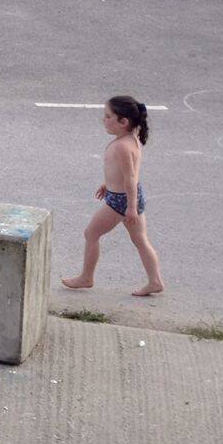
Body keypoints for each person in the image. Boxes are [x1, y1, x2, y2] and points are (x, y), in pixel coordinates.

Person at [61, 95, 165, 297]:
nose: (103, 120)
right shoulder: (130, 140)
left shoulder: (122, 147)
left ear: (123, 122)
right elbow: (123, 174)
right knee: (141, 240)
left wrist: (131, 207)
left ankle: (86, 277)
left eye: (108, 116)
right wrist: (108, 185)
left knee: (91, 234)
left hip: (122, 201)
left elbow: (130, 177)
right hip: (127, 196)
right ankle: (155, 281)